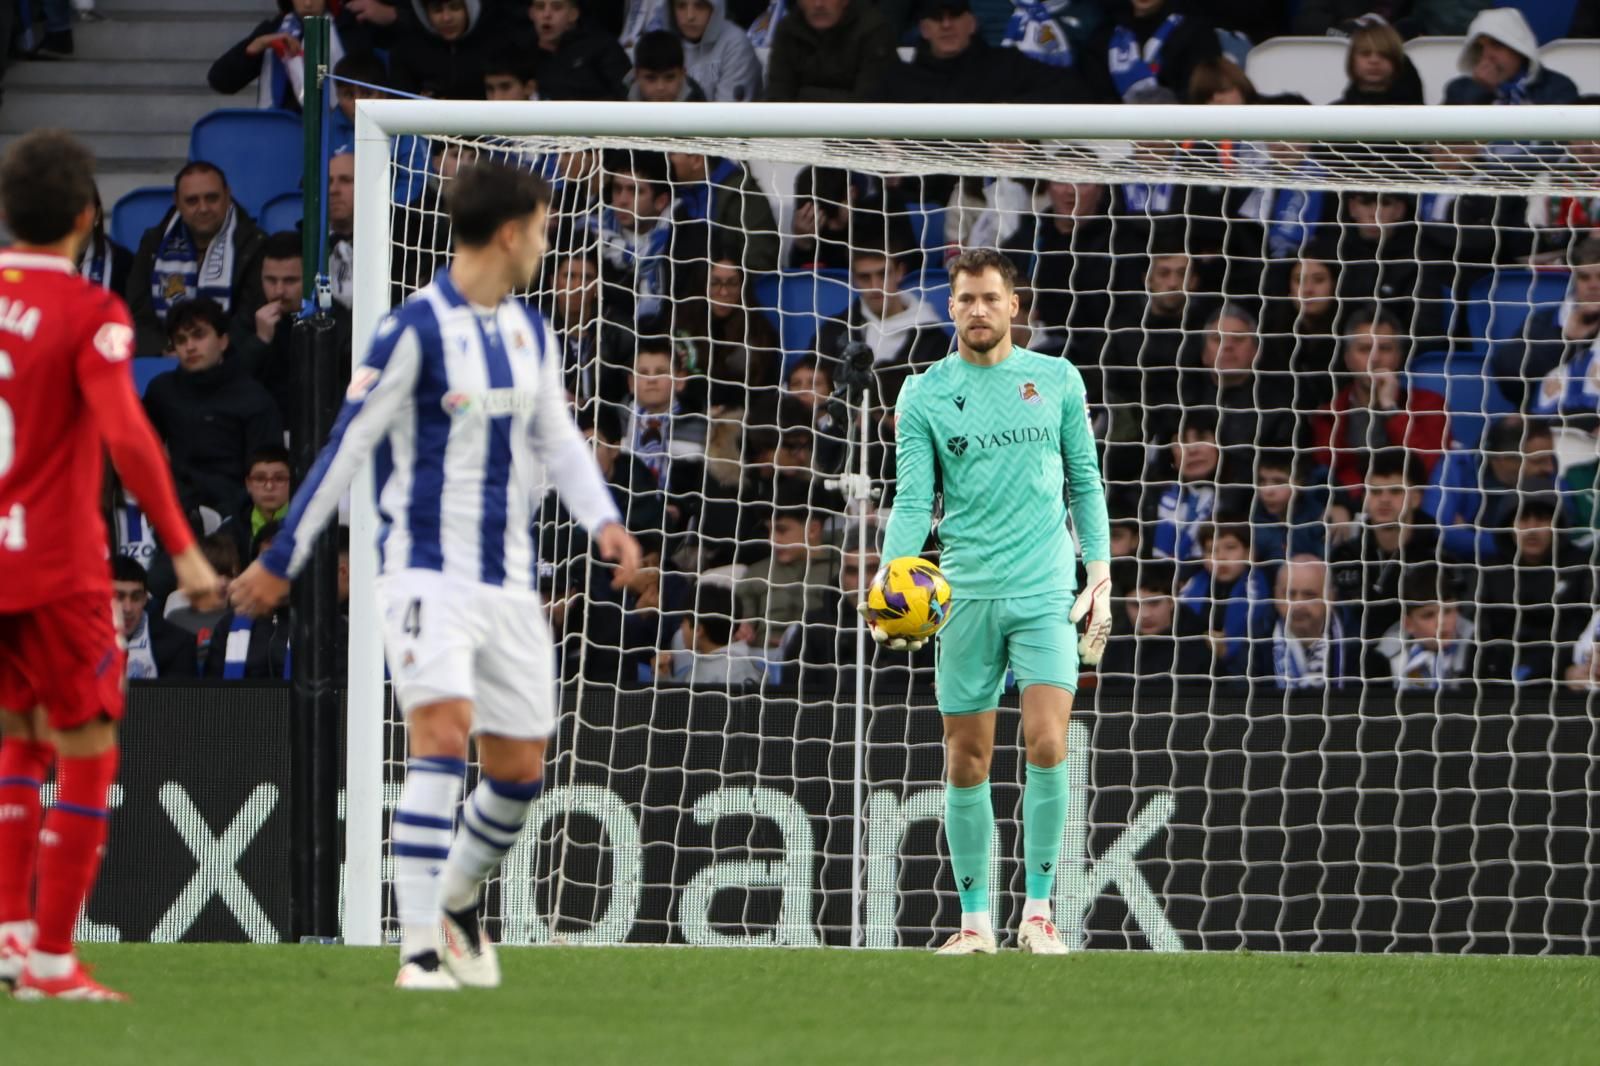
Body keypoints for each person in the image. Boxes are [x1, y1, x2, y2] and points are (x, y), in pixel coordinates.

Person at [228, 159, 642, 990]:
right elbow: (345, 445)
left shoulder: (530, 331)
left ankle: (455, 899)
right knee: (441, 742)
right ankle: (417, 950)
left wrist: (604, 520)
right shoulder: (411, 330)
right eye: (544, 230)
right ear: (509, 233)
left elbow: (559, 440)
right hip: (423, 575)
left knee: (519, 771)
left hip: (511, 584)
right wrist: (282, 557)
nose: (548, 247)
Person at [0, 130, 223, 1001]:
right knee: (86, 749)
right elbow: (128, 435)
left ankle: (13, 935)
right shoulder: (92, 313)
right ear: (90, 219)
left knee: (15, 743)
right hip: (57, 568)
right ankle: (53, 958)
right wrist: (183, 551)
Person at [877, 248, 1111, 955]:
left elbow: (1085, 483)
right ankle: (975, 921)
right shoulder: (921, 393)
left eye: (989, 298)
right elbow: (916, 500)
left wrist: (1097, 574)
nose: (977, 310)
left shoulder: (1056, 379)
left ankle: (1037, 914)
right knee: (966, 759)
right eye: (965, 299)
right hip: (966, 595)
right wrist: (893, 576)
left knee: (1048, 741)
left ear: (1015, 307)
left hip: (1045, 588)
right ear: (951, 309)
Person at [142, 298, 285, 515]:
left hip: (238, 517)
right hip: (178, 513)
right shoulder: (162, 392)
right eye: (181, 340)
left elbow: (267, 473)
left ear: (223, 341)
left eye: (199, 336)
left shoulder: (255, 399)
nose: (190, 347)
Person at [125, 162, 266, 356]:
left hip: (228, 364)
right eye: (192, 201)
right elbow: (137, 313)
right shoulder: (154, 242)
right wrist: (166, 349)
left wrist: (206, 353)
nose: (203, 208)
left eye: (212, 198)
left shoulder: (254, 245)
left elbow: (248, 319)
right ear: (177, 201)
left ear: (227, 195)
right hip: (164, 362)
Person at [1308, 303, 1449, 496]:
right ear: (1348, 359)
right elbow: (1326, 475)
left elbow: (1428, 469)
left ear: (1399, 357)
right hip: (1350, 509)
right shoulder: (1329, 414)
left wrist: (1391, 409)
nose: (1374, 358)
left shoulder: (1430, 405)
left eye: (1384, 348)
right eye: (1364, 349)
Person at [814, 236, 950, 409]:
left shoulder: (933, 338)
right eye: (865, 277)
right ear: (854, 279)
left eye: (883, 274)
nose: (875, 285)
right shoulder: (835, 330)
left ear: (900, 272)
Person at [874, 0, 1091, 104]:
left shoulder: (1007, 66)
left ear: (973, 23)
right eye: (937, 17)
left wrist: (1012, 116)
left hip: (993, 183)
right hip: (922, 187)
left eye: (956, 15)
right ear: (924, 29)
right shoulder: (900, 79)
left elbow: (1070, 87)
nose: (947, 25)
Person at [1492, 236, 1600, 410]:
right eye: (1585, 278)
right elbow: (1508, 376)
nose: (1593, 285)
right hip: (1547, 428)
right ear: (1574, 282)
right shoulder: (1547, 320)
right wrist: (1564, 338)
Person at [208, 0, 375, 110]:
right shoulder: (274, 29)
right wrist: (255, 47)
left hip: (338, 132)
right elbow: (220, 81)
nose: (308, 2)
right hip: (280, 132)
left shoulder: (350, 29)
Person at [1247, 554, 1355, 691]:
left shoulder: (1358, 647)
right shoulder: (1254, 647)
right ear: (1275, 596)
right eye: (1289, 595)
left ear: (1331, 596)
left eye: (1309, 595)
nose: (1298, 604)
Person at [1365, 564, 1476, 690]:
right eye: (1428, 615)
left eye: (1448, 611)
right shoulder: (1385, 658)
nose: (1441, 622)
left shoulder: (1479, 649)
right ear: (1408, 624)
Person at [763, 0, 896, 103]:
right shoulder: (788, 30)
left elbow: (870, 100)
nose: (818, 4)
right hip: (796, 129)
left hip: (861, 131)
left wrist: (806, 95)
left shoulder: (872, 29)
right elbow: (777, 96)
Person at [1443, 8, 1578, 107]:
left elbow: (1559, 142)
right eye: (1479, 48)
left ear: (1518, 49)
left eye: (1496, 45)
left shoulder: (1557, 87)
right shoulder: (1459, 90)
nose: (1486, 55)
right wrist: (1480, 90)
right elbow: (1446, 140)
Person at [389, 0, 503, 99]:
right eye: (437, 10)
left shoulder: (497, 46)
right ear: (425, 13)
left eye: (455, 7)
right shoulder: (406, 51)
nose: (446, 18)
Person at [527, 0, 631, 100]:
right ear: (531, 13)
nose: (546, 15)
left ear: (573, 14)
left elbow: (626, 94)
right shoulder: (526, 56)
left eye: (557, 7)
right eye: (540, 7)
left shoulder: (602, 47)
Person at [113, 554, 196, 679]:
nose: (127, 608)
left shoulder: (177, 644)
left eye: (136, 597)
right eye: (119, 597)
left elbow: (177, 698)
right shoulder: (75, 644)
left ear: (146, 599)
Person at [669, 0, 762, 103]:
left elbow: (728, 115)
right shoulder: (665, 43)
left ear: (715, 7)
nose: (690, 16)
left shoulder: (735, 44)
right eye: (681, 6)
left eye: (700, 6)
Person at [221, 445, 294, 566]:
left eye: (279, 478)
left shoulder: (308, 526)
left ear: (293, 482)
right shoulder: (228, 532)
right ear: (248, 484)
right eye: (260, 479)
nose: (269, 486)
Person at [1334, 19, 1423, 105]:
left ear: (1397, 61)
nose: (1374, 60)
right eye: (1366, 54)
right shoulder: (1332, 114)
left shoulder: (1419, 114)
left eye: (1384, 55)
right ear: (1352, 60)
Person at [628, 29, 709, 100]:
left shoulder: (697, 105)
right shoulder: (620, 98)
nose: (660, 87)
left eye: (669, 77)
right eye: (651, 78)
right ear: (637, 76)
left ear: (682, 74)